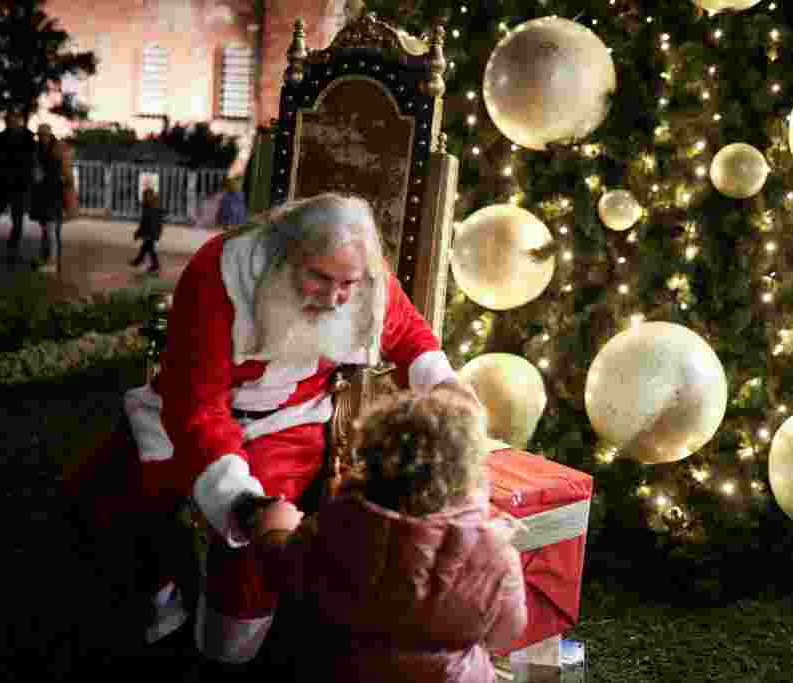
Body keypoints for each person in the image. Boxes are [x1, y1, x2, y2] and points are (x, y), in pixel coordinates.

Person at [64, 192, 481, 668]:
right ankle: (157, 603)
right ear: (283, 257)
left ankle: (228, 651)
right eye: (320, 278)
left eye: (347, 283)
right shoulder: (221, 273)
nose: (336, 297)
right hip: (188, 408)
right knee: (104, 498)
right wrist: (236, 494)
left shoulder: (365, 276)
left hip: (290, 423)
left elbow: (409, 335)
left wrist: (445, 383)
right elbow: (197, 407)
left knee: (257, 548)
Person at [254, 384, 527, 682]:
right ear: (468, 469)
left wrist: (275, 529)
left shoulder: (335, 527)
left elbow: (286, 572)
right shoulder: (495, 555)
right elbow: (506, 633)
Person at [0, 112, 36, 262]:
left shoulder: (28, 139)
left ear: (19, 122)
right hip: (2, 182)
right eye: (9, 121)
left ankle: (12, 248)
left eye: (14, 121)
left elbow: (32, 161)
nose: (12, 123)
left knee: (15, 219)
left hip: (18, 184)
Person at [29, 124, 73, 273]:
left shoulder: (56, 150)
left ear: (49, 134)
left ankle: (52, 262)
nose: (42, 138)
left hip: (54, 196)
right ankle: (47, 259)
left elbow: (59, 175)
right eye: (40, 135)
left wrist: (43, 176)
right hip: (44, 195)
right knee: (46, 230)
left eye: (44, 135)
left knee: (51, 231)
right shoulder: (40, 150)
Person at [130, 185, 165, 274]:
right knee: (146, 248)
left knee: (149, 248)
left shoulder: (150, 208)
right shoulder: (152, 206)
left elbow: (145, 223)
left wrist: (138, 233)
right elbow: (146, 222)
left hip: (151, 233)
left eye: (145, 196)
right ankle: (139, 261)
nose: (144, 198)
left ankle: (154, 265)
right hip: (153, 232)